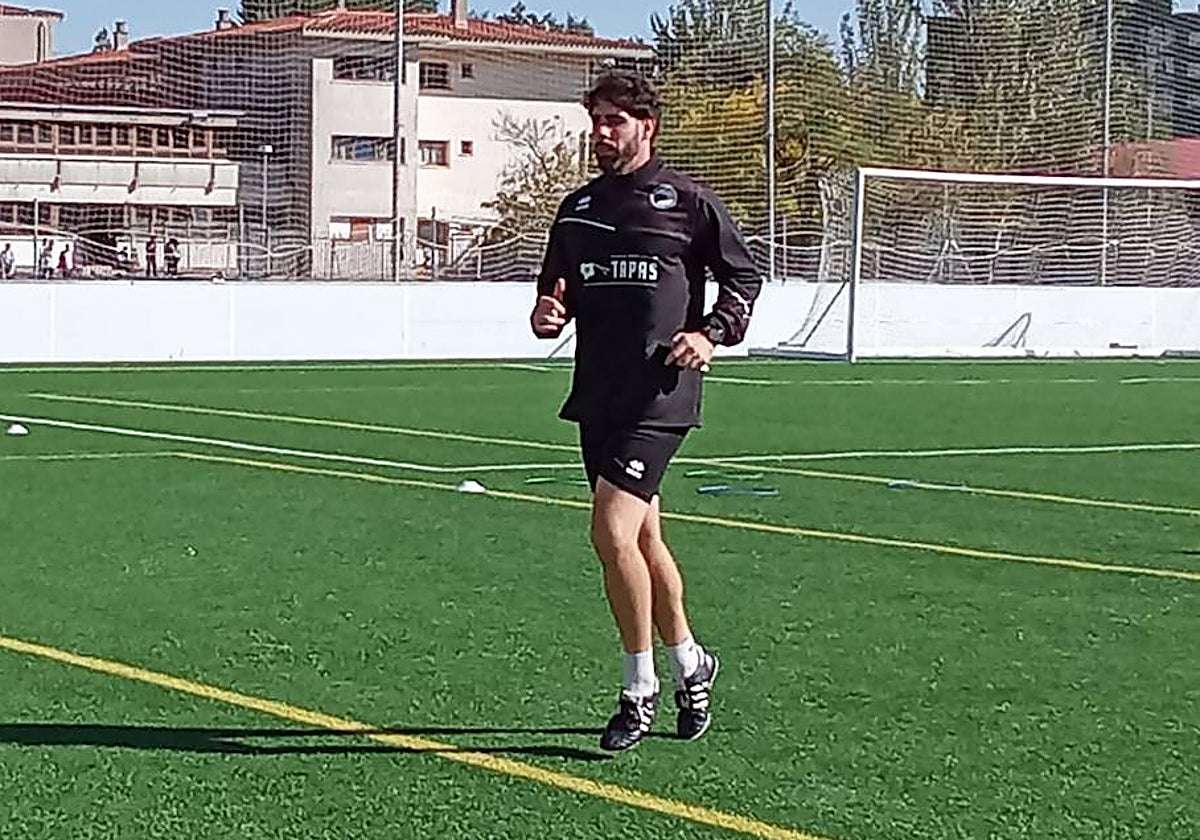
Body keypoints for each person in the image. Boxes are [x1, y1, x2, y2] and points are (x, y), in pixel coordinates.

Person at [529, 72, 762, 752]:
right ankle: (693, 663)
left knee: (609, 532)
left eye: (616, 121)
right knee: (643, 543)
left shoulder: (686, 201)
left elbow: (743, 278)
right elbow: (556, 293)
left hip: (661, 393)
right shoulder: (576, 209)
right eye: (596, 120)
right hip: (598, 393)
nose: (603, 133)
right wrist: (549, 312)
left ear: (646, 126)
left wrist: (711, 332)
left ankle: (640, 688)